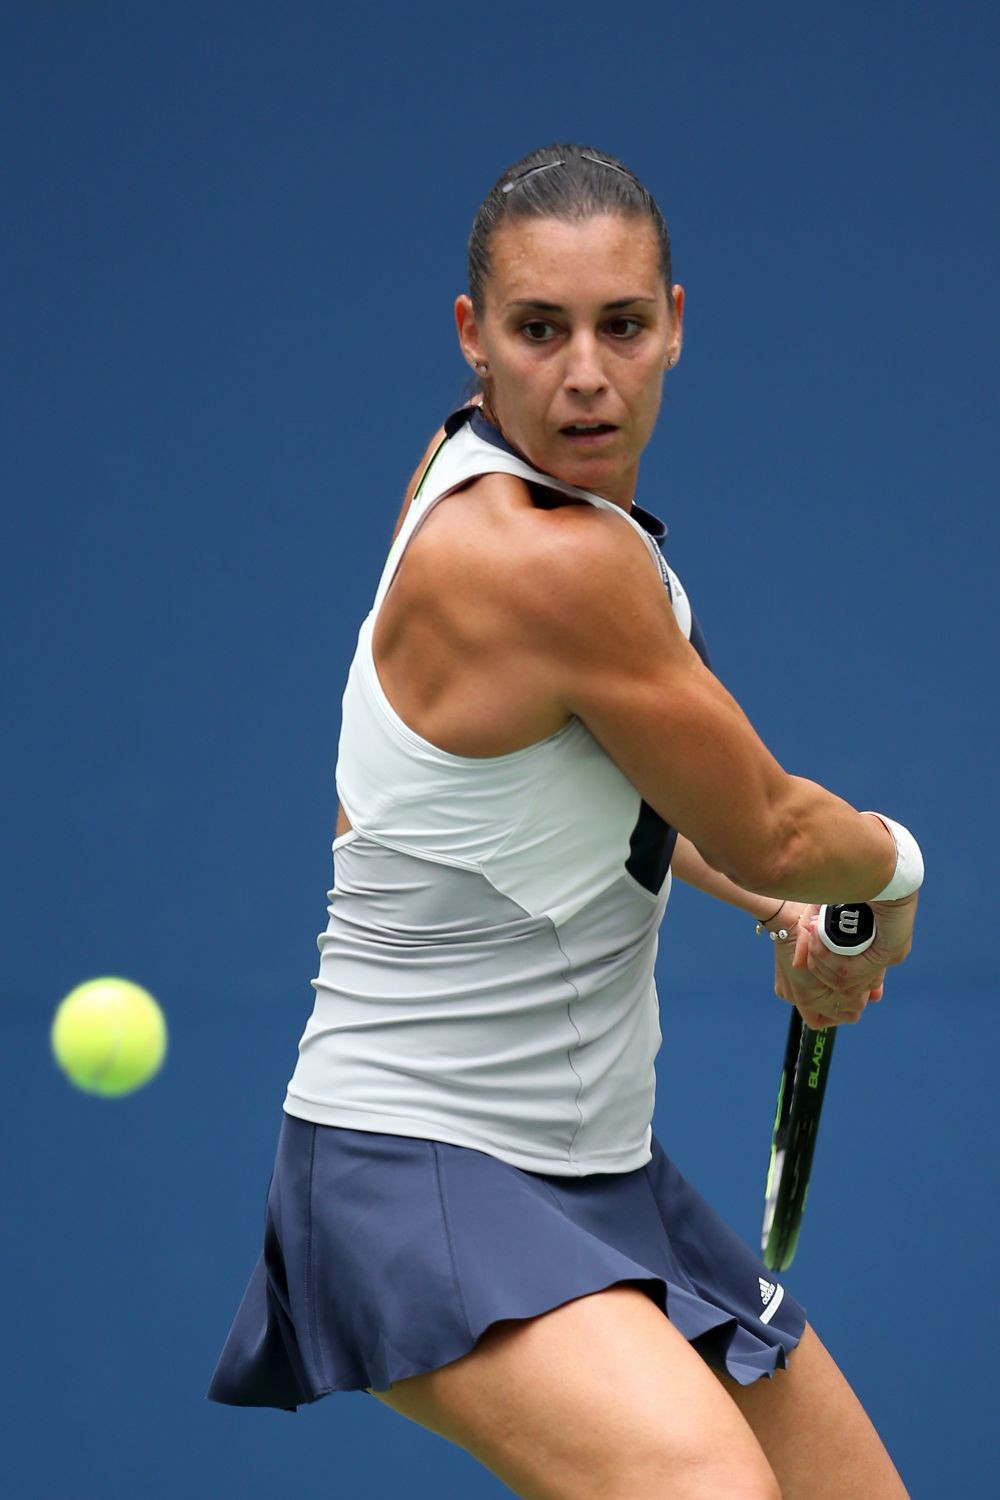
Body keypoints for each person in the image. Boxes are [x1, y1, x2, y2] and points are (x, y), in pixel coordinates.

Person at [208, 144, 922, 1499]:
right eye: (541, 330)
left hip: (598, 1173)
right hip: (414, 1171)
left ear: (675, 327)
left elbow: (632, 793)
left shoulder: (496, 481)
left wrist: (777, 909)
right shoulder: (544, 562)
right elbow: (771, 822)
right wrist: (892, 873)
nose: (585, 371)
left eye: (622, 325)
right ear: (476, 338)